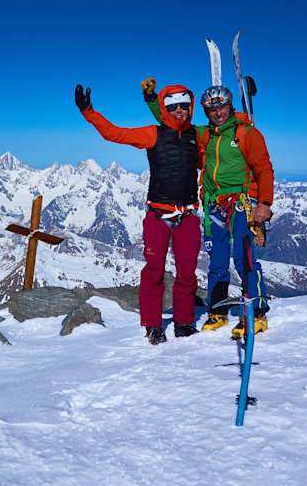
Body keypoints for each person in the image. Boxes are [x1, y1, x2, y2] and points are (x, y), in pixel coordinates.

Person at [75, 80, 201, 345]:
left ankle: (184, 323)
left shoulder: (198, 135)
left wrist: (241, 119)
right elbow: (115, 134)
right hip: (158, 215)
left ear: (190, 107)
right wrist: (89, 112)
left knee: (188, 273)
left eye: (184, 105)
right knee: (154, 272)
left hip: (187, 215)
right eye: (173, 106)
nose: (179, 110)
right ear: (165, 109)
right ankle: (153, 325)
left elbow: (224, 136)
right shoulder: (152, 134)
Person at [145, 82, 274, 339]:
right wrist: (151, 100)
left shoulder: (247, 133)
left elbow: (264, 168)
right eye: (212, 110)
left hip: (243, 202)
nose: (218, 113)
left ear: (230, 107)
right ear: (205, 111)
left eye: (222, 107)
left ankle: (256, 313)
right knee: (217, 261)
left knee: (244, 259)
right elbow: (171, 121)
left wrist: (265, 204)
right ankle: (217, 311)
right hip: (214, 204)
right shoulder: (204, 135)